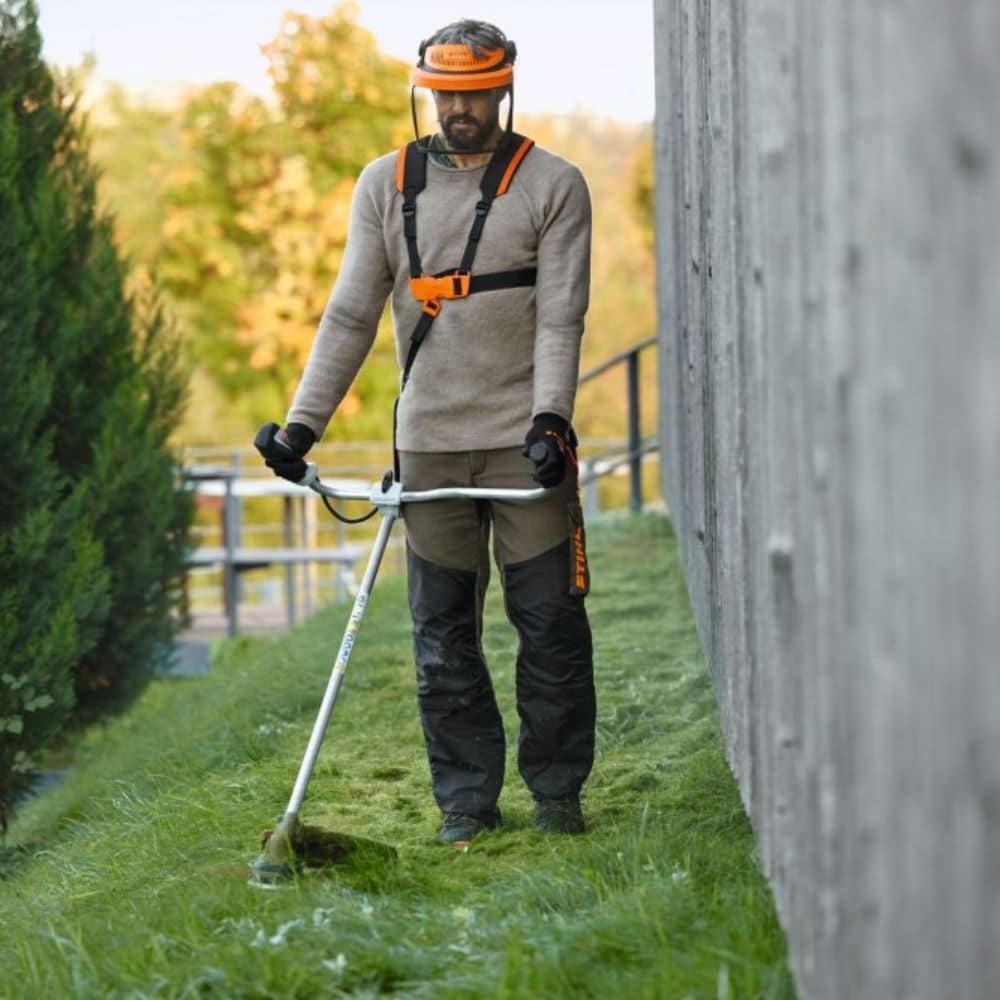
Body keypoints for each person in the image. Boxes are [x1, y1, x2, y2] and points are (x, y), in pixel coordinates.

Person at [256, 19, 595, 846]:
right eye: (444, 94)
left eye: (474, 92)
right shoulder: (385, 185)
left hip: (525, 443)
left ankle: (556, 795)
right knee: (442, 636)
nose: (459, 109)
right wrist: (302, 427)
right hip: (431, 443)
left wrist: (552, 416)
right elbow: (349, 315)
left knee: (550, 622)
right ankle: (466, 805)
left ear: (504, 89)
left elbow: (560, 317)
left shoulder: (554, 184)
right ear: (424, 93)